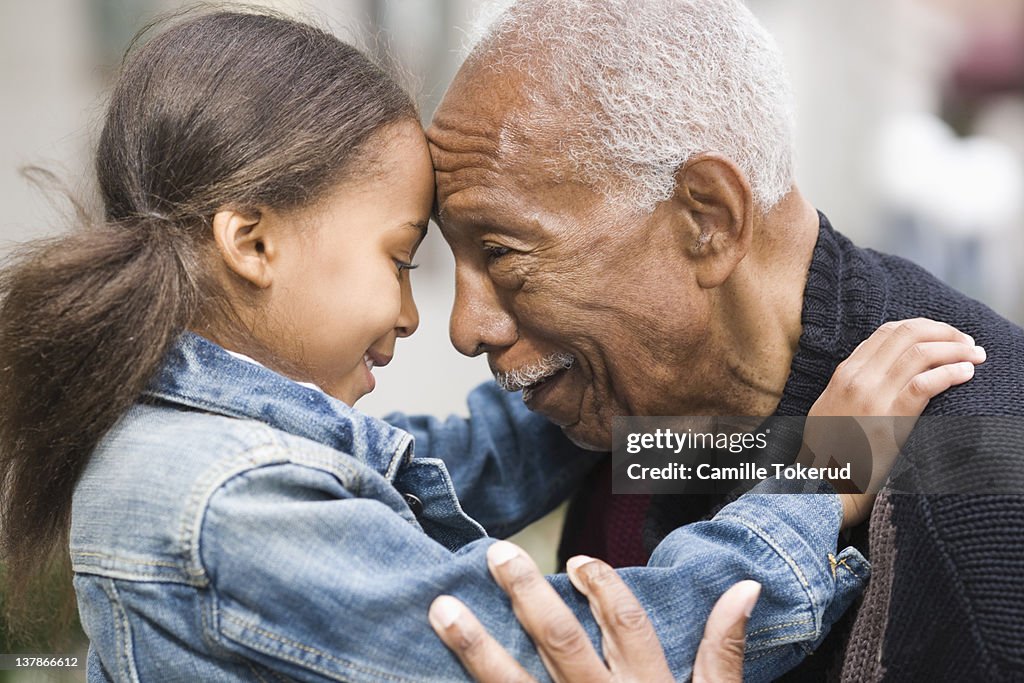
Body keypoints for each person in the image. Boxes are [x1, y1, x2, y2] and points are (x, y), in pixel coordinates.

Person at [0, 9, 981, 683]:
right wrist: (817, 478)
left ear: (706, 220)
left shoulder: (216, 448)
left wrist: (618, 371)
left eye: (501, 255)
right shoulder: (226, 500)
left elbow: (473, 460)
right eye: (403, 259)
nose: (444, 322)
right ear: (252, 242)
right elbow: (556, 648)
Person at [426, 0, 1024, 679]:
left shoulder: (984, 490)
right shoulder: (641, 409)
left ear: (706, 218)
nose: (466, 328)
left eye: (502, 254)